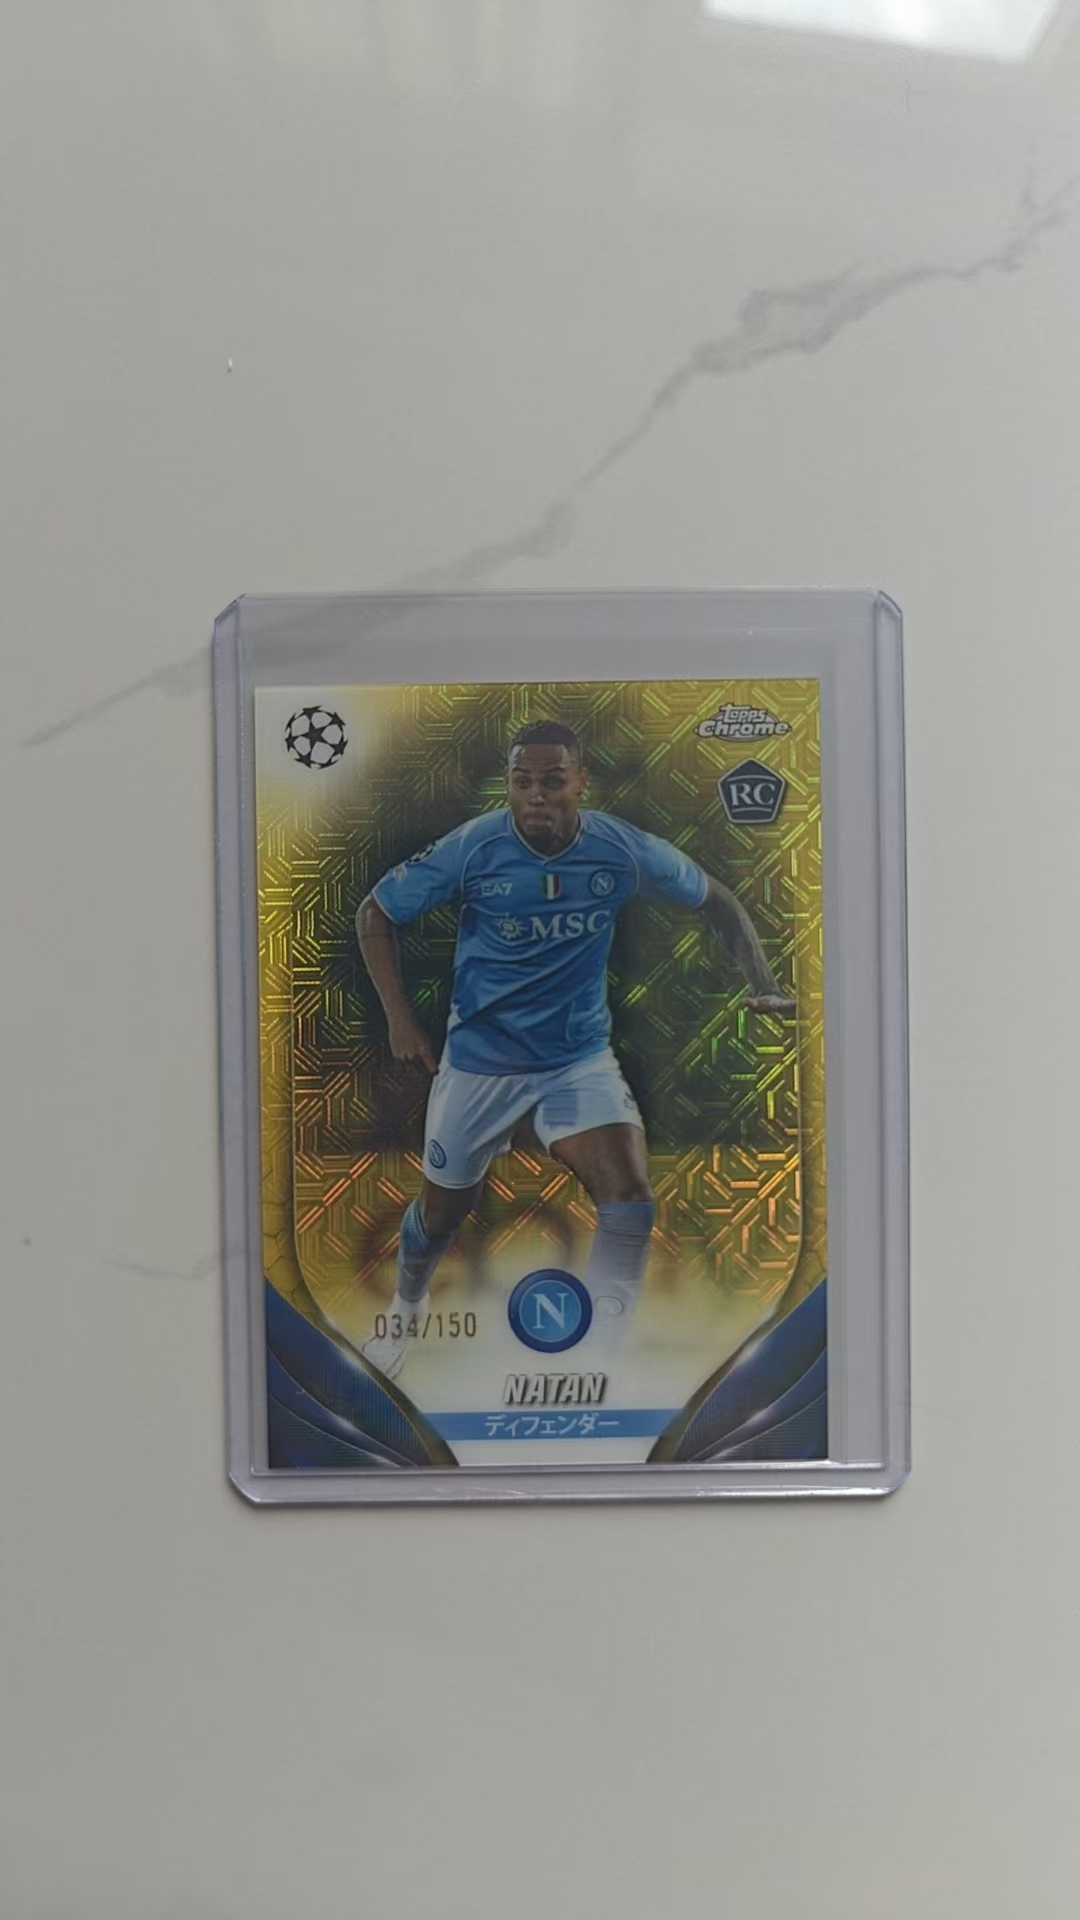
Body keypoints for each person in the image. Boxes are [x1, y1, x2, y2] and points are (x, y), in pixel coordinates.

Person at [356, 719, 794, 1379]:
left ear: (580, 782)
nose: (535, 794)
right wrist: (400, 1021)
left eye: (552, 780)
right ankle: (405, 1311)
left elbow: (716, 900)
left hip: (575, 1062)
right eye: (521, 781)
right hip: (479, 1066)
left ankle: (600, 1360)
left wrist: (764, 985)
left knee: (630, 1196)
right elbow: (377, 912)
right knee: (440, 1217)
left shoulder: (620, 849)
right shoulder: (475, 848)